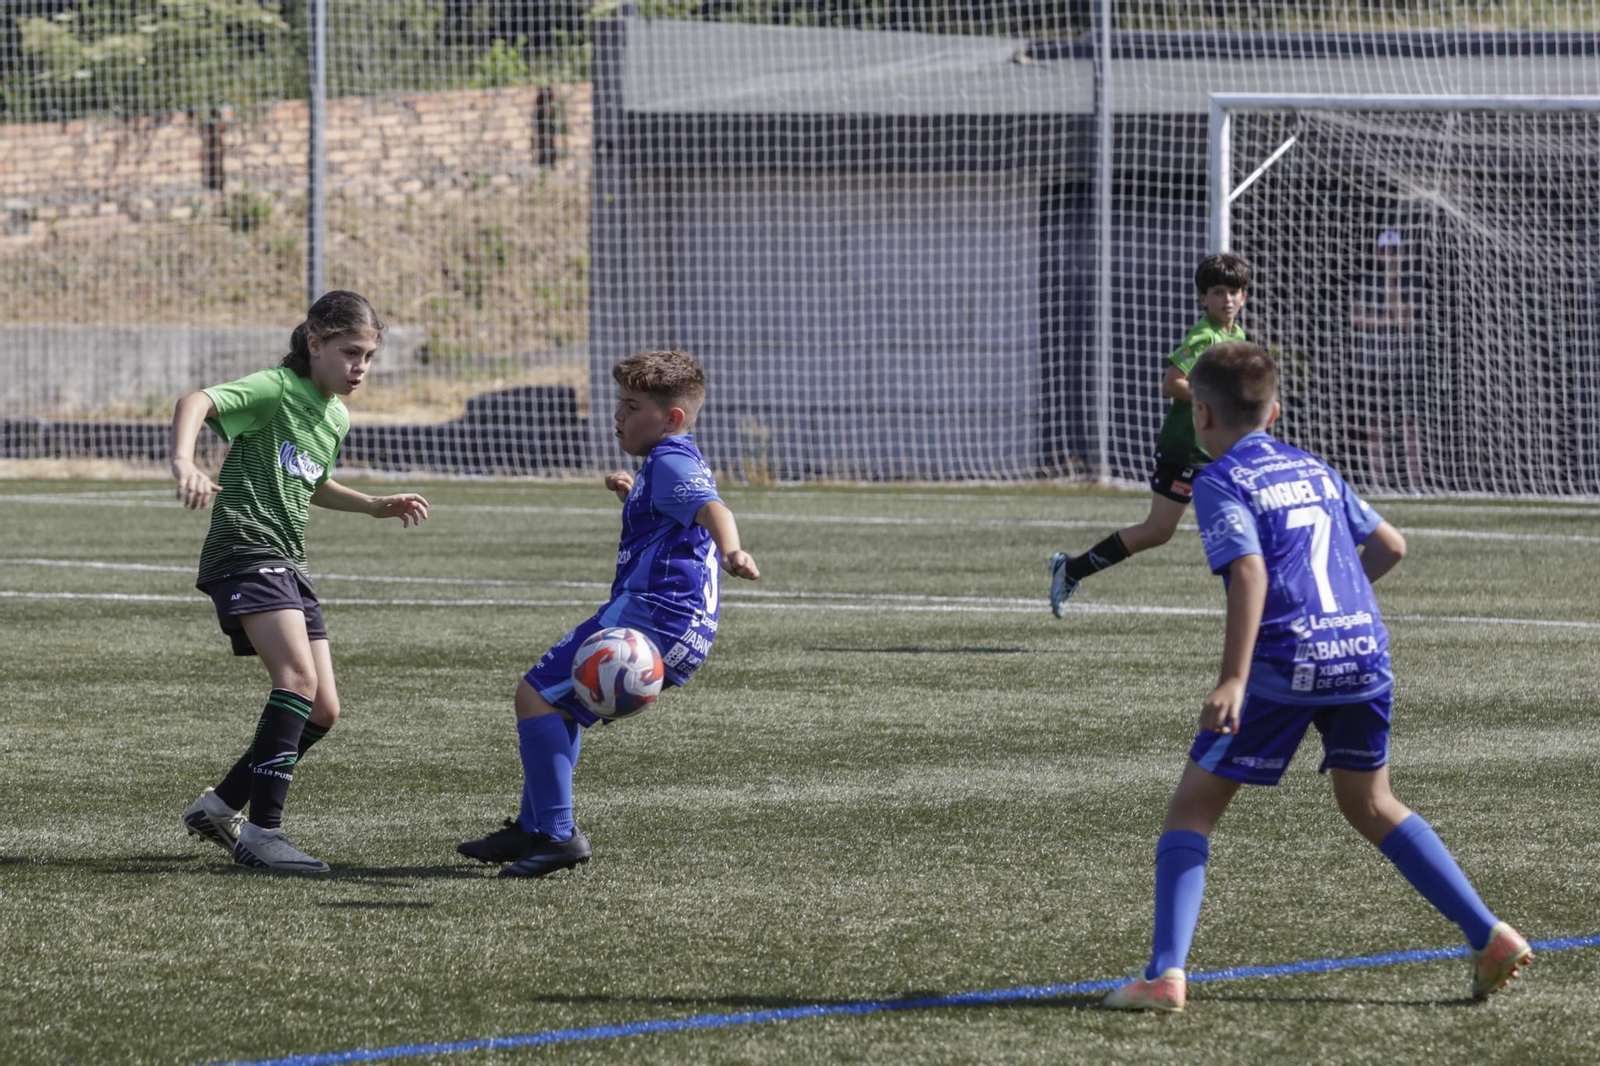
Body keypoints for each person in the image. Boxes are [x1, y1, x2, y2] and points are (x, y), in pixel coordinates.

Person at [1101, 342, 1530, 1012]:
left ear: (1202, 416)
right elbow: (1391, 545)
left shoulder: (1220, 481)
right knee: (1371, 804)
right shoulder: (1315, 468)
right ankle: (1489, 933)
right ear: (1274, 412)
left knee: (1191, 810)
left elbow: (1249, 572)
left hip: (1285, 663)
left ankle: (1163, 975)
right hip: (1364, 652)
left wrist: (1234, 679)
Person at [457, 349, 759, 879]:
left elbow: (714, 509)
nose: (617, 415)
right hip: (683, 629)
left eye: (630, 405)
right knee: (559, 705)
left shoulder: (671, 460)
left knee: (533, 694)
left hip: (650, 616)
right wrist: (633, 494)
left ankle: (555, 835)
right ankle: (534, 827)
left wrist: (733, 549)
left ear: (672, 419)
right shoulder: (666, 464)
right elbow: (674, 523)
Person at [172, 290, 429, 873]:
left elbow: (311, 481)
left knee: (323, 709)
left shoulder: (335, 413)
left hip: (288, 559)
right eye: (349, 352)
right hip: (245, 547)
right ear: (314, 343)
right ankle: (262, 833)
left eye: (368, 356)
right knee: (295, 679)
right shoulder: (275, 388)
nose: (359, 367)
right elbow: (196, 401)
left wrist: (371, 505)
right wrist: (185, 463)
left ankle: (218, 807)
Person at [1049, 252, 1250, 615]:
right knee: (1158, 531)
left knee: (1242, 523)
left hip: (1216, 451)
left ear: (1245, 296)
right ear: (1203, 298)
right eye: (1218, 292)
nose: (1228, 299)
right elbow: (1172, 384)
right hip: (1184, 451)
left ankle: (1254, 611)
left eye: (1234, 291)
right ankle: (1072, 568)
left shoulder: (1236, 333)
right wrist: (1216, 396)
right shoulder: (1204, 336)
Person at [1348, 228, 1426, 490]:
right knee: (1376, 423)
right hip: (1372, 362)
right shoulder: (1367, 283)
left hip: (1402, 362)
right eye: (1386, 251)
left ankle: (1415, 483)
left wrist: (1392, 284)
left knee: (1408, 423)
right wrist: (1388, 320)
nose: (1390, 256)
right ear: (1378, 254)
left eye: (1395, 251)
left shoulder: (1411, 283)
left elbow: (1405, 321)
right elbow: (1357, 320)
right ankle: (1378, 482)